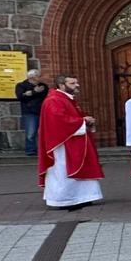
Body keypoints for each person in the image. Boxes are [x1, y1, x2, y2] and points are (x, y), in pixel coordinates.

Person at [37, 75, 103, 211]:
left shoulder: (65, 99)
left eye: (76, 82)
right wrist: (82, 121)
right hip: (62, 144)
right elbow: (59, 120)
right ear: (61, 85)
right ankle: (65, 199)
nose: (77, 85)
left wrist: (84, 120)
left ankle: (82, 197)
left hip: (73, 140)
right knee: (63, 170)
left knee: (78, 166)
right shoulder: (54, 100)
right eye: (73, 83)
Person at [16, 69, 49, 157]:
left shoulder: (43, 86)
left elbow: (45, 95)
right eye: (38, 76)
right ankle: (31, 150)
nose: (40, 78)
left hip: (42, 111)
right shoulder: (21, 85)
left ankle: (44, 150)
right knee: (31, 132)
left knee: (43, 132)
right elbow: (20, 97)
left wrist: (30, 93)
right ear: (32, 77)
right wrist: (34, 92)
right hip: (29, 111)